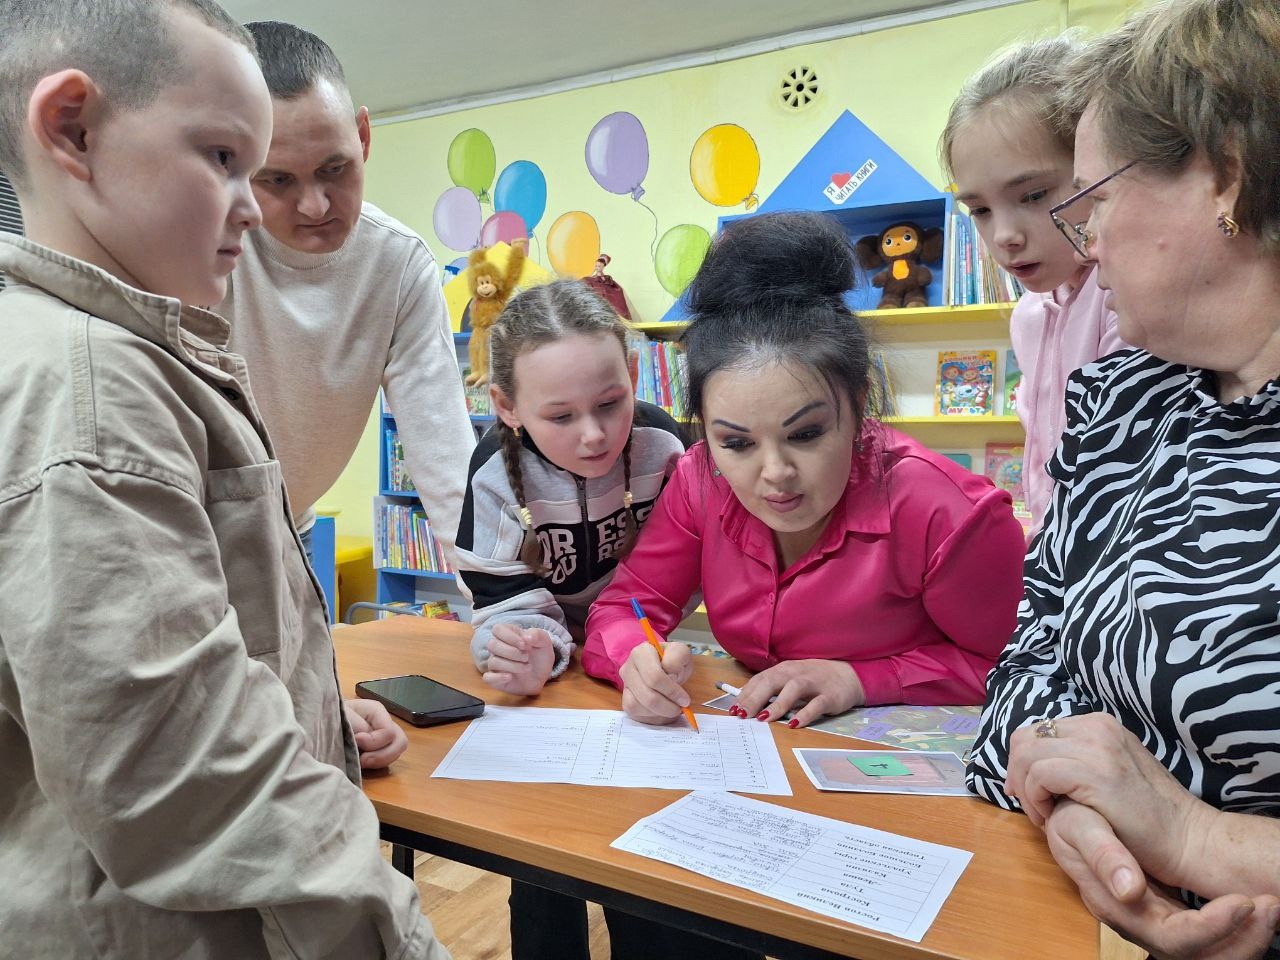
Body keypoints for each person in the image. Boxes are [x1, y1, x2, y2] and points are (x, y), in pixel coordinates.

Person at [0, 1, 448, 958]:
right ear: (72, 130)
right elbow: (181, 773)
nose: (255, 209)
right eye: (223, 159)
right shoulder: (93, 392)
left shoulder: (126, 361)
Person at [966, 2, 1280, 956]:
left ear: (1227, 174)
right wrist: (1075, 812)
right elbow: (1032, 659)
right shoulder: (1119, 401)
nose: (1084, 241)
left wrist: (1199, 840)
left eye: (1092, 198)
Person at [583, 212, 1027, 728]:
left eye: (806, 434)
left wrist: (861, 679)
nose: (775, 472)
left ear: (857, 403)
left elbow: (1026, 666)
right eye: (736, 443)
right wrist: (634, 659)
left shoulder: (949, 512)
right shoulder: (700, 478)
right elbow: (625, 607)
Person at [453, 279, 758, 960]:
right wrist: (530, 647)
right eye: (560, 416)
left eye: (610, 403)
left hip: (637, 661)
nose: (593, 435)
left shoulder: (666, 445)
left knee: (646, 848)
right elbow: (498, 595)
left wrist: (634, 639)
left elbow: (679, 564)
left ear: (633, 375)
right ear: (506, 406)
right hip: (552, 683)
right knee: (542, 858)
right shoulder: (494, 472)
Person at [218, 20, 474, 565]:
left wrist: (499, 594)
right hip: (188, 532)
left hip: (293, 529)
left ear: (363, 136)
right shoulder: (205, 247)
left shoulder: (398, 264)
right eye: (278, 180)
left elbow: (446, 455)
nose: (315, 205)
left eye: (334, 169)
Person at [941, 35, 1128, 534]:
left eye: (1032, 195)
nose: (1004, 235)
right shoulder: (1028, 313)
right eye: (980, 210)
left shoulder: (1124, 298)